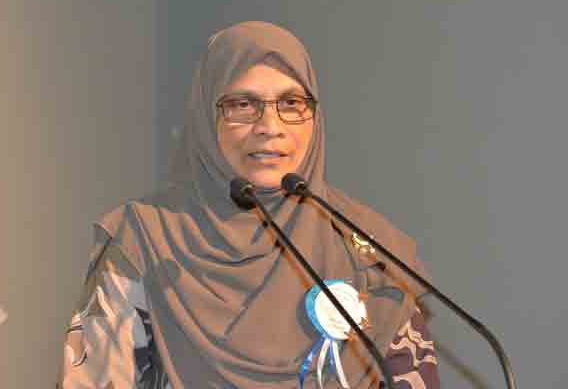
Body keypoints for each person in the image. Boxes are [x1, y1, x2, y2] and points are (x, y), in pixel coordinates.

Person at [57, 21, 440, 389]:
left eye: (291, 102)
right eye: (243, 104)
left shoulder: (371, 252)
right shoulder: (142, 239)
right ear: (208, 117)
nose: (270, 126)